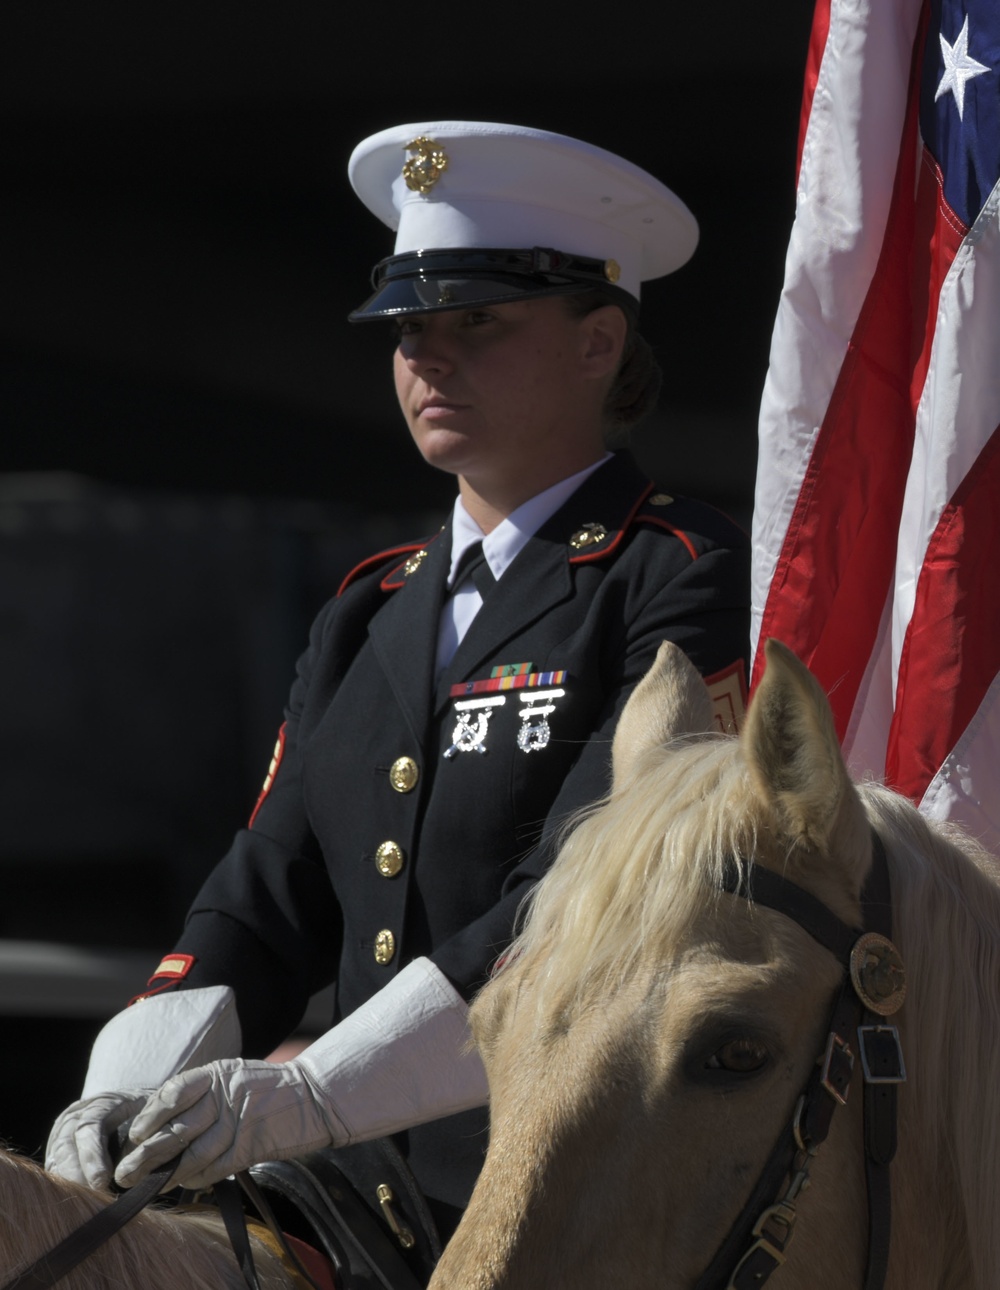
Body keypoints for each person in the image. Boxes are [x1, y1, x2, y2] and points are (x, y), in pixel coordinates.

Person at [46, 121, 750, 1241]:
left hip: (569, 1192)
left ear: (598, 344)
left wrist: (320, 1091)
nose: (429, 357)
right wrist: (125, 1078)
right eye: (410, 329)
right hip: (348, 1192)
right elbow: (264, 893)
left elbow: (596, 895)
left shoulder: (677, 573)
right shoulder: (366, 609)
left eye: (477, 324)